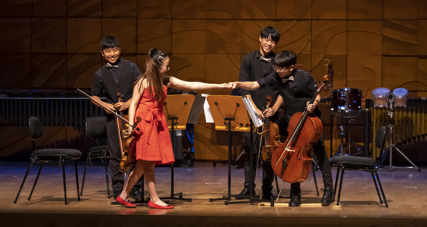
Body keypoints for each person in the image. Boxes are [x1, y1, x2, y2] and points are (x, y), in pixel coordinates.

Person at [116, 48, 231, 208]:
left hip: (156, 121)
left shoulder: (166, 80)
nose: (169, 68)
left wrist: (218, 86)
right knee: (147, 163)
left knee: (144, 164)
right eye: (166, 65)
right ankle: (154, 199)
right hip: (144, 123)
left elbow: (192, 85)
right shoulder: (143, 81)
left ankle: (123, 195)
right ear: (157, 66)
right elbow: (133, 104)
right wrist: (130, 127)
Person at [231, 50, 334, 207]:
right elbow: (254, 84)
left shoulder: (304, 76)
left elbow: (317, 94)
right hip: (293, 119)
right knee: (293, 154)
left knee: (320, 153)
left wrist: (314, 104)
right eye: (276, 67)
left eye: (280, 68)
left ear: (291, 67)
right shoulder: (276, 77)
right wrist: (238, 84)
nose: (277, 70)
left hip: (311, 119)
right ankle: (295, 193)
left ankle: (328, 189)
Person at [91, 36, 143, 202]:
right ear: (102, 53)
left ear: (119, 50)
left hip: (133, 116)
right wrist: (106, 105)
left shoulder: (131, 66)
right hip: (113, 119)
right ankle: (119, 192)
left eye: (115, 50)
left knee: (135, 153)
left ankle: (136, 190)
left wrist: (128, 102)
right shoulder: (100, 73)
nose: (112, 53)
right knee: (115, 155)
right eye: (108, 51)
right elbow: (94, 96)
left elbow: (142, 87)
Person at [234, 26, 283, 201]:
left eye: (273, 41)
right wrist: (254, 109)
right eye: (266, 39)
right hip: (252, 113)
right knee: (250, 151)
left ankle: (267, 189)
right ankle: (248, 188)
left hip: (272, 114)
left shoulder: (278, 62)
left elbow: (284, 90)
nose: (269, 43)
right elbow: (244, 89)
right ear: (260, 39)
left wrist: (274, 108)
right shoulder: (248, 60)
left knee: (268, 153)